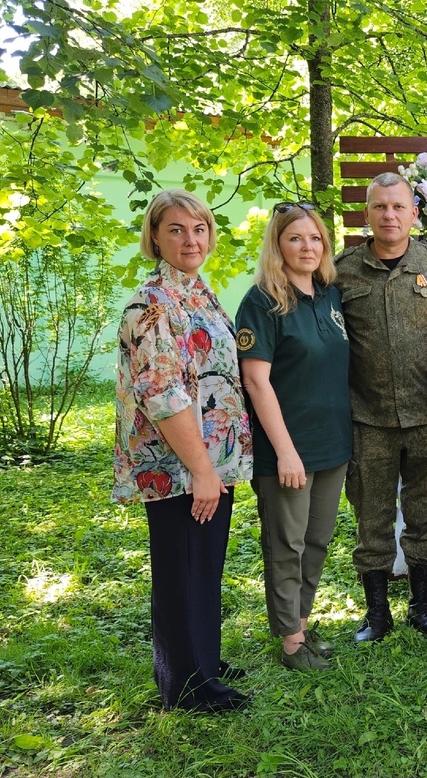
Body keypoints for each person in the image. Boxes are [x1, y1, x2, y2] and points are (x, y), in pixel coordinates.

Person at [113, 189, 252, 712]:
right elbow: (163, 395)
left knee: (203, 563)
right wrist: (201, 471)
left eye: (199, 229)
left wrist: (214, 465)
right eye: (176, 229)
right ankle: (189, 688)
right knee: (181, 567)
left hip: (210, 460)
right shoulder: (151, 304)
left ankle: (203, 660)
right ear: (154, 237)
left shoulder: (196, 292)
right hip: (178, 467)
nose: (190, 239)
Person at [335, 172, 427, 642]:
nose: (389, 215)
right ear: (366, 214)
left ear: (413, 213)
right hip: (367, 418)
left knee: (425, 510)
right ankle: (376, 613)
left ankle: (422, 606)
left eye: (397, 207)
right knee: (371, 515)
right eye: (379, 207)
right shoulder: (341, 270)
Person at [236, 202, 350, 671]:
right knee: (287, 544)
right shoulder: (262, 301)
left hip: (332, 442)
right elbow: (256, 382)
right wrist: (284, 451)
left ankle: (300, 621)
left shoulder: (329, 294)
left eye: (315, 238)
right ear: (277, 245)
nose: (307, 247)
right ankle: (290, 642)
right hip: (287, 447)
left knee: (318, 539)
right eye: (295, 238)